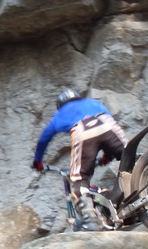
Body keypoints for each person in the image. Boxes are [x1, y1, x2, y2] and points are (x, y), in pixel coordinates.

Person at [32, 89, 128, 231]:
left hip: (83, 130)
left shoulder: (60, 114)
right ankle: (138, 189)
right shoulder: (94, 103)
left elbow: (44, 139)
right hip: (107, 123)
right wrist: (108, 155)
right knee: (129, 156)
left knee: (79, 179)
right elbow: (105, 129)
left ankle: (90, 221)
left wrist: (38, 161)